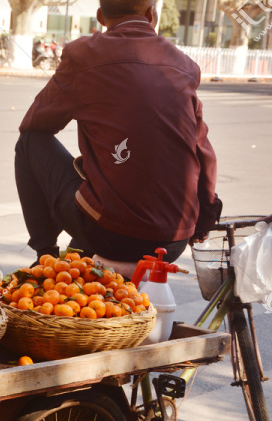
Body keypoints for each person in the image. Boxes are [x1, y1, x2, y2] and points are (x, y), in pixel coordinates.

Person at [14, 0, 221, 265]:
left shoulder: (83, 54)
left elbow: (35, 124)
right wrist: (203, 221)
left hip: (110, 234)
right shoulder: (184, 65)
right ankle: (70, 263)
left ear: (100, 16)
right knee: (107, 201)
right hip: (175, 239)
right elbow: (203, 152)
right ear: (151, 15)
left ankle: (45, 255)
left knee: (29, 142)